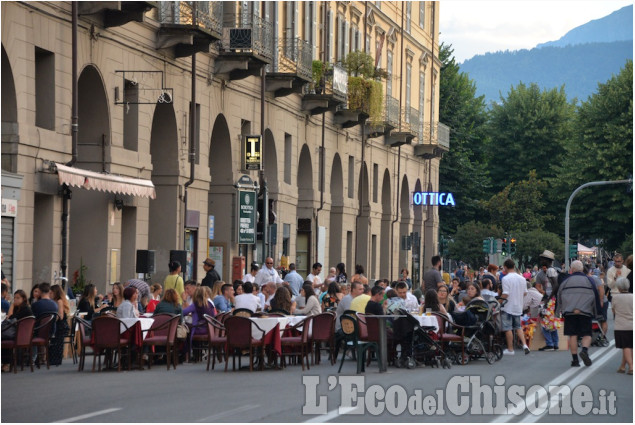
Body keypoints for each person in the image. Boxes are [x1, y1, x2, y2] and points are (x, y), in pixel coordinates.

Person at [557, 260, 601, 367]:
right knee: (587, 334)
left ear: (572, 269)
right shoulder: (589, 280)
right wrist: (597, 312)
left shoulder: (566, 281)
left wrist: (559, 310)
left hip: (570, 312)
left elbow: (559, 296)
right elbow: (595, 296)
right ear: (582, 269)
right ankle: (584, 350)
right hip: (585, 311)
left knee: (573, 335)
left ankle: (575, 360)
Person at [500, 259, 530, 356]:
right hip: (518, 305)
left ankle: (510, 349)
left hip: (508, 306)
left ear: (505, 267)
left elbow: (505, 294)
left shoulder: (505, 279)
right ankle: (525, 345)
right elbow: (525, 293)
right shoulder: (522, 278)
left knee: (508, 328)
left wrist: (498, 301)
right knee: (518, 326)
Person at [2, 289, 32, 372]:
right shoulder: (18, 308)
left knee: (4, 337)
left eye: (18, 298)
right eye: (14, 298)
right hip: (19, 333)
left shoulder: (25, 309)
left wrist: (11, 305)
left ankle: (6, 363)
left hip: (22, 335)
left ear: (23, 299)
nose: (15, 300)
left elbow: (11, 318)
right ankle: (6, 362)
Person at [611, 277, 633, 374]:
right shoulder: (633, 296)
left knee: (626, 346)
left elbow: (614, 311)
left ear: (619, 287)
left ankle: (631, 367)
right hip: (632, 324)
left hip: (621, 325)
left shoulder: (615, 297)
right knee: (629, 346)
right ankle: (622, 366)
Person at [49, 284, 70, 366]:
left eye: (51, 293)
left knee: (56, 341)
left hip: (61, 326)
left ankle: (56, 359)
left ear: (55, 293)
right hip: (58, 324)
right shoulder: (53, 302)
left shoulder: (59, 301)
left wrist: (52, 321)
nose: (50, 294)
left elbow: (60, 315)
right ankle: (53, 358)